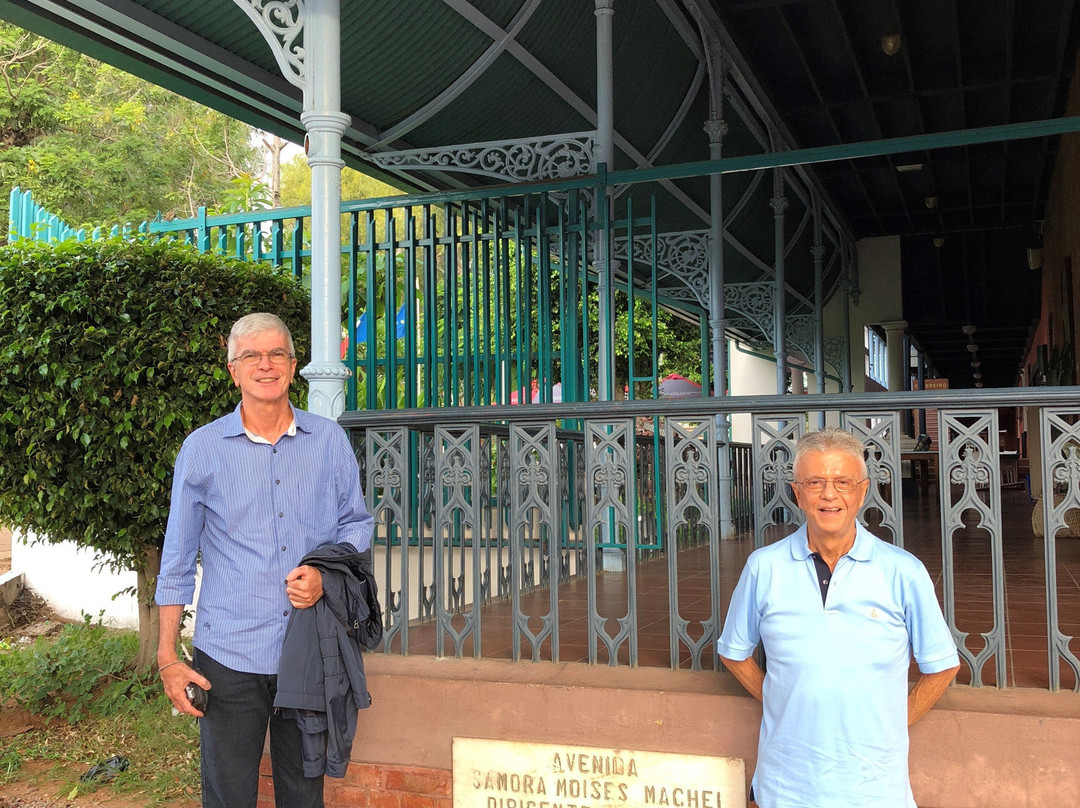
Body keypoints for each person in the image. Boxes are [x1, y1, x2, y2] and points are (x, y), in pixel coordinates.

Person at [155, 312, 374, 808]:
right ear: (233, 370)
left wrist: (323, 575)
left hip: (309, 649)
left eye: (277, 353)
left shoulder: (329, 441)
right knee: (228, 795)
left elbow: (356, 524)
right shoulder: (202, 449)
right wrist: (168, 656)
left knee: (303, 793)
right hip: (228, 655)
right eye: (251, 355)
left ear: (294, 366)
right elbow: (177, 559)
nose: (265, 364)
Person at [717, 427, 960, 808]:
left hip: (875, 788)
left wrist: (891, 721)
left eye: (842, 482)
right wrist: (782, 699)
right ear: (797, 492)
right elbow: (733, 652)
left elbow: (942, 665)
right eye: (815, 482)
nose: (829, 494)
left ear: (862, 491)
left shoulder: (903, 572)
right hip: (784, 786)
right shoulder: (764, 568)